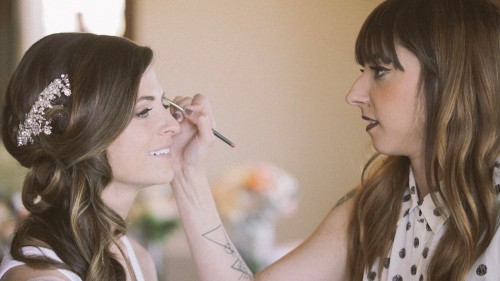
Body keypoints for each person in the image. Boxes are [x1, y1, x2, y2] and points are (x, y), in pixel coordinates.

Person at [168, 0, 500, 280]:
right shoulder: (377, 205)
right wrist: (187, 171)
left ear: (449, 79)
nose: (353, 94)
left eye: (380, 71)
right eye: (362, 72)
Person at [0, 32, 216, 280]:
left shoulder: (137, 259)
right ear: (85, 133)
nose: (173, 125)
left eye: (164, 104)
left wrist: (189, 170)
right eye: (144, 111)